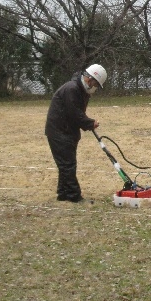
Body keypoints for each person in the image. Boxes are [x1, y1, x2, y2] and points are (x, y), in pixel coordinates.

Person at [45, 64, 107, 203]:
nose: (96, 87)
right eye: (96, 84)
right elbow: (74, 113)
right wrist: (90, 123)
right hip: (59, 131)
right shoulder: (72, 89)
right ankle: (74, 196)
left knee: (65, 164)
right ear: (90, 80)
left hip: (66, 130)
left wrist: (86, 123)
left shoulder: (79, 90)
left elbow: (76, 113)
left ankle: (63, 194)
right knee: (68, 164)